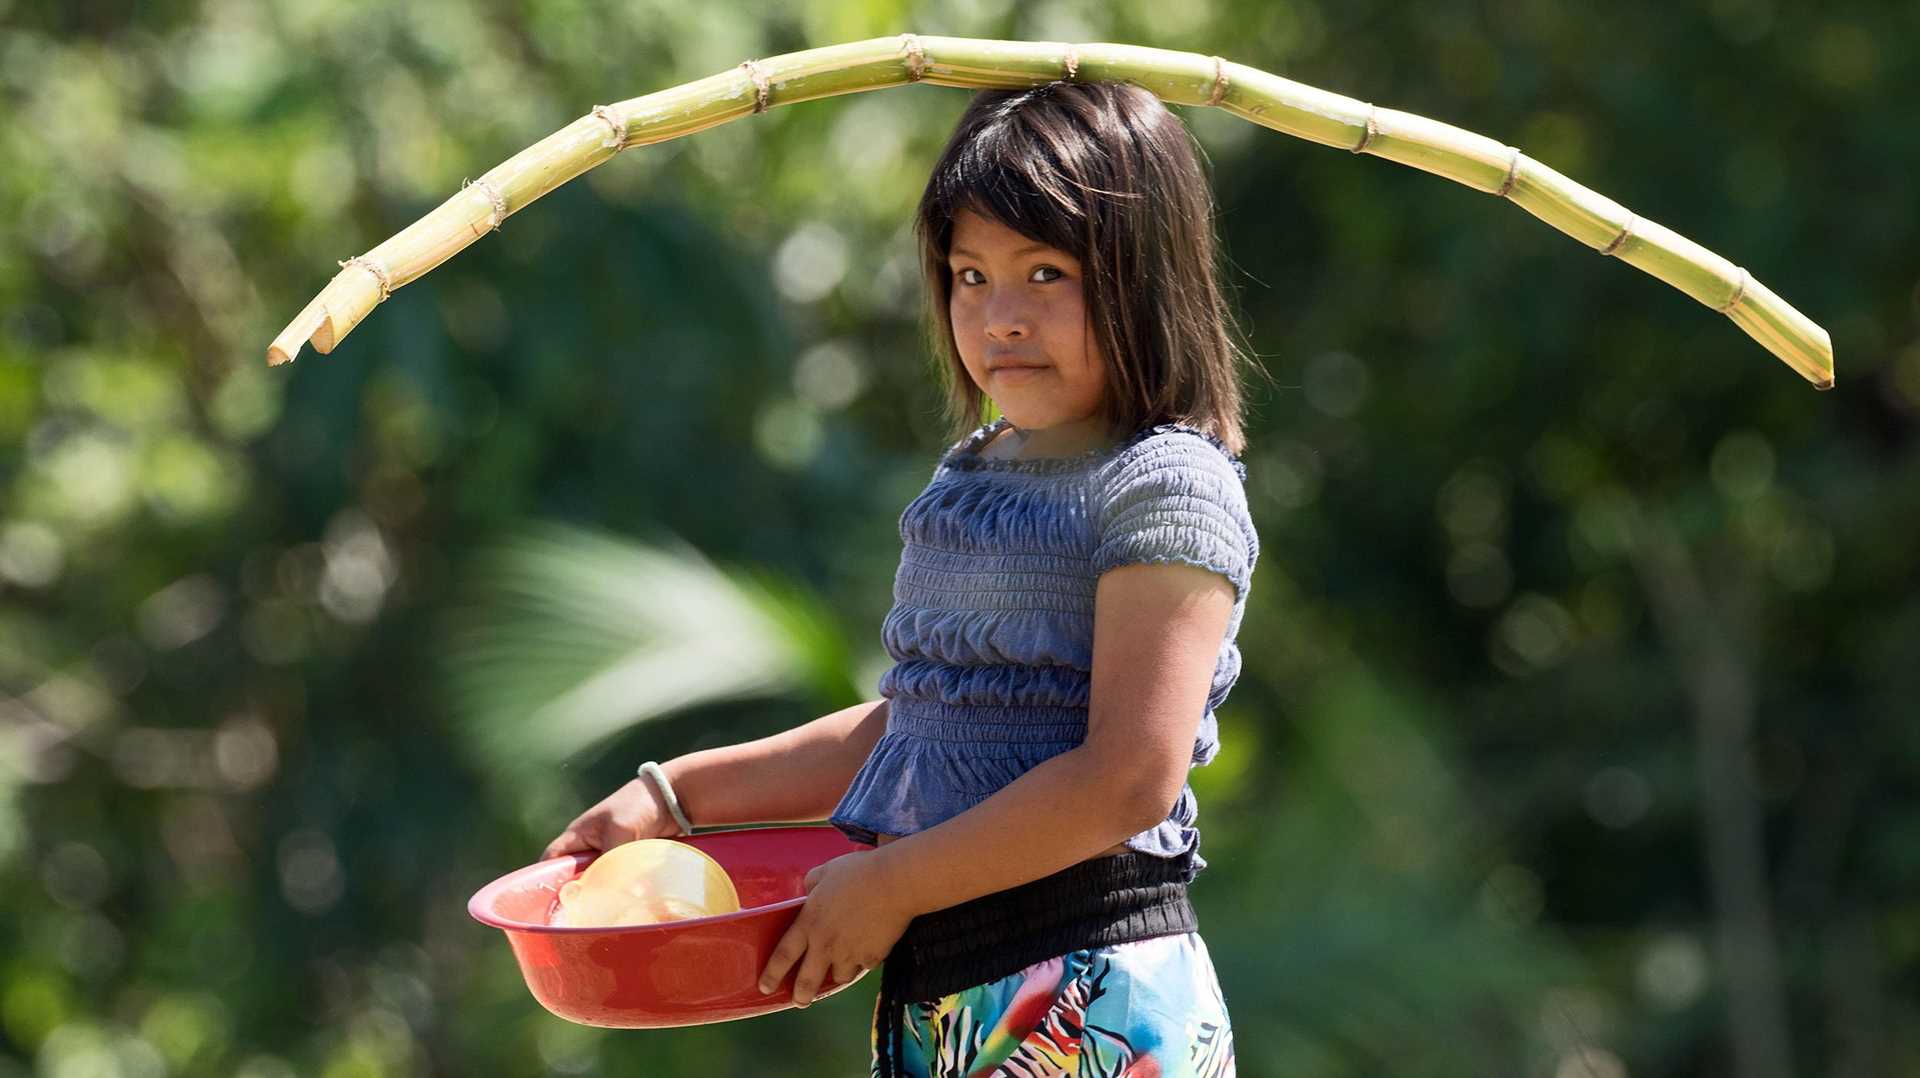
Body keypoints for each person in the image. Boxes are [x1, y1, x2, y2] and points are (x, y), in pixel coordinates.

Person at [543, 79, 1259, 1078]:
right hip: (945, 992)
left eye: (1044, 272)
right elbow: (919, 726)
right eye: (970, 276)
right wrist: (676, 796)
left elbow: (1128, 776)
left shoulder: (1164, 485)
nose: (1001, 316)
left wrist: (892, 883)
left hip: (1092, 992)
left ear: (1144, 277)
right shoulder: (973, 476)